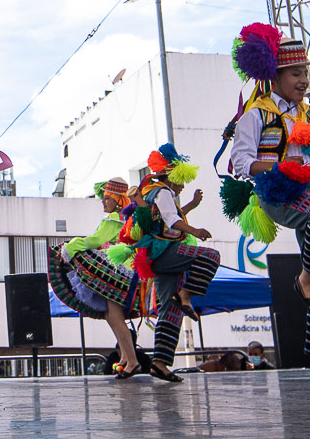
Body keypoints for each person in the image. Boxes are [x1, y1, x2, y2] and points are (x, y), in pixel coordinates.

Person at [221, 26, 310, 389]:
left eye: (306, 73)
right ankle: (304, 278)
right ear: (276, 75)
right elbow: (241, 162)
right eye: (296, 73)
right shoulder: (256, 115)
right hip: (279, 189)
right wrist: (281, 168)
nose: (303, 80)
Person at [125, 148, 221, 383]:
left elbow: (168, 217)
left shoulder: (154, 192)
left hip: (156, 258)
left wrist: (191, 205)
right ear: (174, 176)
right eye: (182, 181)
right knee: (211, 256)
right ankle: (186, 295)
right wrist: (195, 231)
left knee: (169, 310)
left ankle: (159, 364)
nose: (183, 186)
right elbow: (172, 220)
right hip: (166, 252)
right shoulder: (164, 192)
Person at [48, 178, 147, 378]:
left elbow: (96, 241)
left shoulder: (115, 218)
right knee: (112, 316)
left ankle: (132, 360)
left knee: (115, 317)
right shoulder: (125, 218)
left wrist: (71, 245)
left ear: (118, 199)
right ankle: (127, 358)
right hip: (125, 269)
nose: (103, 201)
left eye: (107, 198)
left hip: (119, 271)